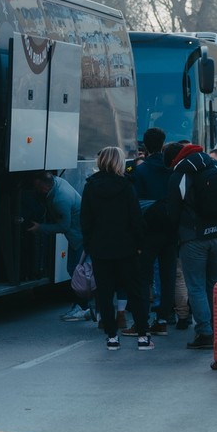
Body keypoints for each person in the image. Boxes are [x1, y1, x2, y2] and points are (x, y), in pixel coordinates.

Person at [80, 147, 152, 351]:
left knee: (104, 292)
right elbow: (135, 218)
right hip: (126, 246)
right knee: (135, 291)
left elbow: (85, 219)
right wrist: (139, 244)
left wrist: (90, 244)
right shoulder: (126, 185)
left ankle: (112, 336)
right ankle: (142, 336)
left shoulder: (90, 186)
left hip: (100, 247)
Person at [167, 143, 217, 350]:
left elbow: (173, 211)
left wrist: (176, 234)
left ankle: (204, 332)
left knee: (195, 286)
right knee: (215, 283)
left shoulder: (180, 173)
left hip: (193, 237)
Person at [128, 127, 178, 334]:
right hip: (171, 227)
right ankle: (163, 320)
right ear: (163, 143)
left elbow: (135, 203)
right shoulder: (172, 169)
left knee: (142, 277)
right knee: (167, 275)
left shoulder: (140, 170)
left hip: (148, 229)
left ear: (145, 146)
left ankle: (141, 320)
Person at [28, 172, 88, 322]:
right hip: (79, 236)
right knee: (75, 271)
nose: (36, 190)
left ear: (45, 187)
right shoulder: (57, 182)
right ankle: (80, 305)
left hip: (79, 238)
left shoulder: (60, 199)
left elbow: (63, 226)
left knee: (77, 272)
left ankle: (82, 307)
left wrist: (40, 228)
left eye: (37, 187)